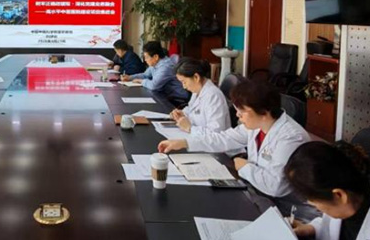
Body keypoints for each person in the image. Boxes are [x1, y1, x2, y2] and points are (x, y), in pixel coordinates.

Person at [158, 81, 309, 198]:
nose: (237, 115)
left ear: (264, 112)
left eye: (242, 111)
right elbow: (224, 138)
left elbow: (275, 186)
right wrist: (184, 143)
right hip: (257, 192)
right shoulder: (257, 125)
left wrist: (245, 166)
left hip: (286, 209)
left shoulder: (291, 138)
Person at [285, 141, 370, 240]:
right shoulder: (342, 193)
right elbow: (330, 226)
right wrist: (311, 228)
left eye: (315, 204)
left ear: (339, 195)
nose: (315, 207)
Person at [171, 57, 230, 135]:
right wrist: (182, 113)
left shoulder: (213, 96)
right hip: (198, 137)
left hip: (211, 142)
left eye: (184, 82)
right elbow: (192, 109)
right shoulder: (197, 90)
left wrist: (190, 128)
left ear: (196, 77)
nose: (184, 86)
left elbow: (216, 133)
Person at [121, 41, 189, 104]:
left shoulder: (165, 67)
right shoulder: (155, 63)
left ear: (155, 57)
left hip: (176, 99)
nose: (145, 60)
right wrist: (130, 77)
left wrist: (141, 81)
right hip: (164, 95)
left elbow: (154, 85)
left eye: (146, 57)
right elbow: (145, 75)